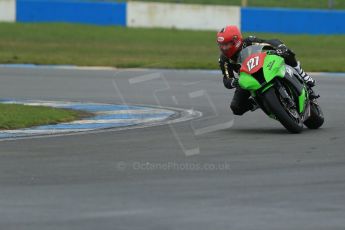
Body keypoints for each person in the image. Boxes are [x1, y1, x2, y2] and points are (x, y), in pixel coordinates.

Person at [217, 25, 315, 116]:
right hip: (248, 79)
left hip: (264, 67)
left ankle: (302, 74)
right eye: (221, 45)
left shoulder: (248, 41)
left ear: (236, 40)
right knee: (236, 108)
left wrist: (280, 47)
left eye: (227, 44)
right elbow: (227, 79)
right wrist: (234, 82)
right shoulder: (224, 59)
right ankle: (256, 103)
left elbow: (270, 41)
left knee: (287, 52)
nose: (224, 48)